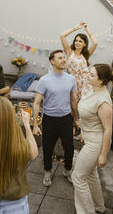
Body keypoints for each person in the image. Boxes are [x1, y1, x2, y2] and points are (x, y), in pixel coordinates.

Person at [72, 64, 113, 214]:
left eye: (91, 75)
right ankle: (99, 207)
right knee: (90, 175)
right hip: (89, 138)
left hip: (96, 143)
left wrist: (103, 154)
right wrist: (84, 131)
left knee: (77, 177)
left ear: (101, 81)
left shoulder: (103, 101)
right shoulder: (93, 90)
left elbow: (108, 129)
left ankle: (87, 211)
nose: (87, 76)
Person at [33, 50, 78, 186]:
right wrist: (35, 124)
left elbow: (74, 101)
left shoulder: (71, 79)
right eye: (60, 58)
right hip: (50, 120)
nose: (63, 60)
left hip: (66, 119)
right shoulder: (44, 80)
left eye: (64, 57)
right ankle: (47, 172)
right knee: (47, 148)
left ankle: (67, 170)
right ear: (52, 61)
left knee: (69, 148)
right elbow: (36, 103)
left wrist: (76, 119)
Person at [60, 21, 98, 102]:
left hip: (85, 83)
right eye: (76, 40)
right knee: (72, 106)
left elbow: (95, 43)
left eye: (80, 41)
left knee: (84, 107)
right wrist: (76, 27)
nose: (77, 43)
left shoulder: (85, 55)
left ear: (84, 44)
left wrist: (87, 29)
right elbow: (62, 36)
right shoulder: (69, 52)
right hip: (73, 83)